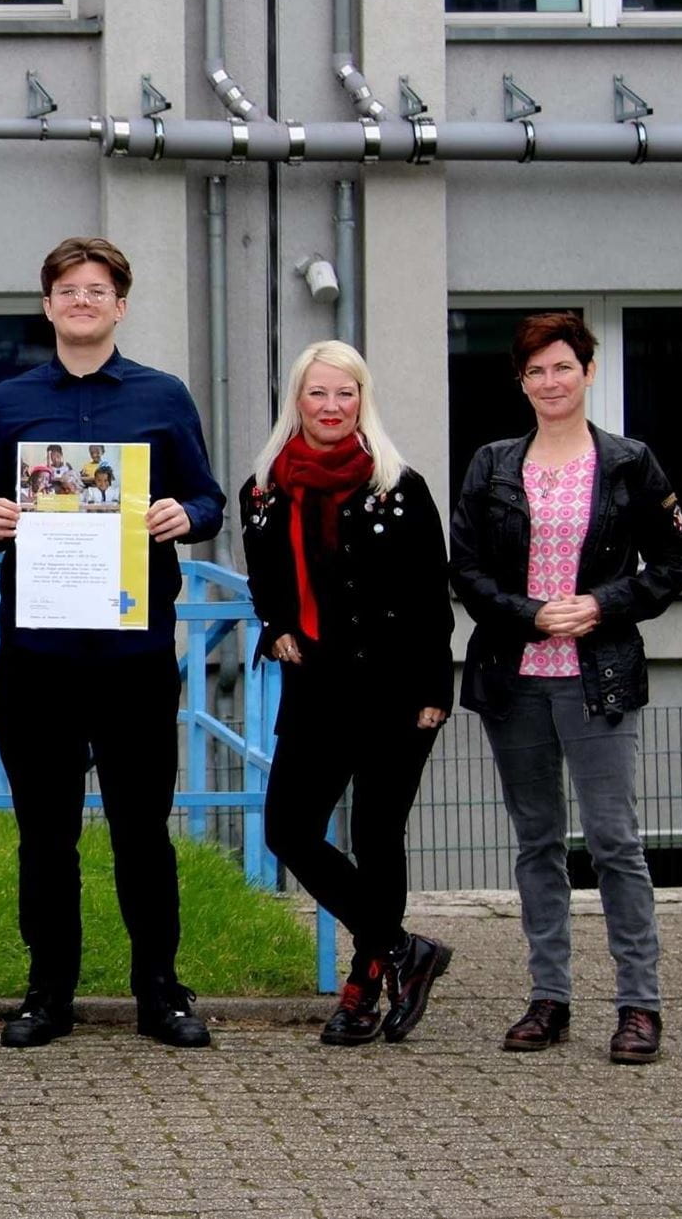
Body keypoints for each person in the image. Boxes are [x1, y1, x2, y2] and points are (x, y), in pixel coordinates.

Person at [0, 236, 226, 1049]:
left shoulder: (163, 395)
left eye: (97, 289)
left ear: (120, 303)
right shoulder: (10, 402)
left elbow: (208, 499)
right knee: (45, 833)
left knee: (143, 829)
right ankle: (49, 992)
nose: (82, 301)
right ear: (48, 305)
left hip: (134, 655)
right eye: (68, 289)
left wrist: (187, 515)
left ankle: (160, 990)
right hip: (38, 657)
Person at [450, 311, 682, 1064]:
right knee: (537, 842)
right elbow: (467, 572)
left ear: (588, 371)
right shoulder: (492, 463)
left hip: (601, 676)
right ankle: (549, 998)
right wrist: (530, 612)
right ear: (520, 382)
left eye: (563, 367)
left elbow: (674, 560)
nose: (550, 382)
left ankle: (639, 1006)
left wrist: (601, 603)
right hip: (514, 676)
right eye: (535, 371)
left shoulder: (629, 462)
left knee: (615, 840)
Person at [239, 340, 455, 1047]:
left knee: (375, 834)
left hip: (398, 690)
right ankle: (402, 948)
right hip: (317, 689)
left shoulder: (400, 485)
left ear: (363, 401)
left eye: (346, 394)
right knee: (288, 829)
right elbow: (268, 587)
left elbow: (432, 598)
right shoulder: (265, 489)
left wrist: (434, 688)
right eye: (318, 394)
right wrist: (275, 628)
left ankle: (363, 987)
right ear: (296, 401)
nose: (332, 407)